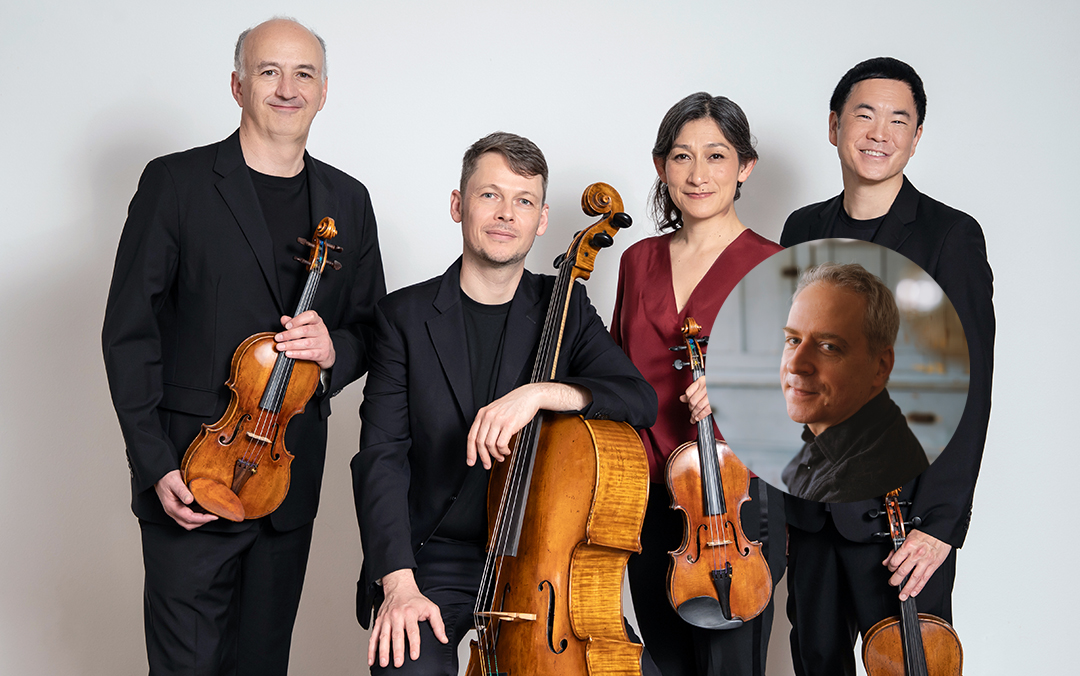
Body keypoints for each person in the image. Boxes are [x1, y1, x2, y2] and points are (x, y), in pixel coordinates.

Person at [101, 17, 385, 675]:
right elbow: (128, 333)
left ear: (323, 92)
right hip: (191, 472)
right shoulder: (176, 184)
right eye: (269, 71)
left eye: (303, 73)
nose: (287, 88)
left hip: (286, 476)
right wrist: (154, 465)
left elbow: (372, 330)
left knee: (262, 665)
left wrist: (335, 347)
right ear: (237, 85)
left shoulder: (349, 198)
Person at [351, 131, 657, 675]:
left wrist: (542, 392)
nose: (505, 214)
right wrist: (397, 583)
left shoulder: (564, 308)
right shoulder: (403, 318)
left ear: (541, 220)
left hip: (540, 555)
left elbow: (639, 399)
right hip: (434, 555)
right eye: (489, 195)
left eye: (523, 201)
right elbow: (381, 457)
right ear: (457, 205)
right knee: (407, 667)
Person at [780, 57, 994, 675]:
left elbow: (970, 385)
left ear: (916, 136)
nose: (880, 132)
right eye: (865, 114)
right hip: (816, 510)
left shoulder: (949, 236)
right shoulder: (803, 227)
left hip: (906, 519)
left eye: (899, 119)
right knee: (816, 662)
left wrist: (942, 525)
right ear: (834, 125)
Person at [610, 92, 785, 676]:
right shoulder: (637, 260)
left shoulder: (775, 263)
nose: (699, 173)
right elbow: (616, 375)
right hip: (650, 500)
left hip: (733, 505)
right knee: (661, 665)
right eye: (682, 156)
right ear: (661, 167)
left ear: (745, 167)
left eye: (716, 155)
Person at [780, 262, 929, 503]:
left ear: (880, 366)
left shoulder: (852, 486)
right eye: (793, 340)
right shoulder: (833, 427)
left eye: (829, 346)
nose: (795, 365)